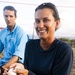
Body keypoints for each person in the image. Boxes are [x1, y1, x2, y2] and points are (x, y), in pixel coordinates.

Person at [3, 2, 73, 75]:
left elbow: (28, 72)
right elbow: (26, 68)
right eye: (37, 21)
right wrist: (18, 68)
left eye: (46, 20)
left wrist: (28, 74)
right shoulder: (30, 45)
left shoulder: (64, 51)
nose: (40, 25)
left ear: (57, 23)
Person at [0, 5, 29, 74]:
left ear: (15, 17)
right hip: (4, 62)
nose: (8, 18)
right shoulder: (2, 33)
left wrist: (2, 69)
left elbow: (17, 56)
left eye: (11, 16)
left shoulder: (21, 33)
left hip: (16, 64)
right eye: (6, 16)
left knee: (11, 73)